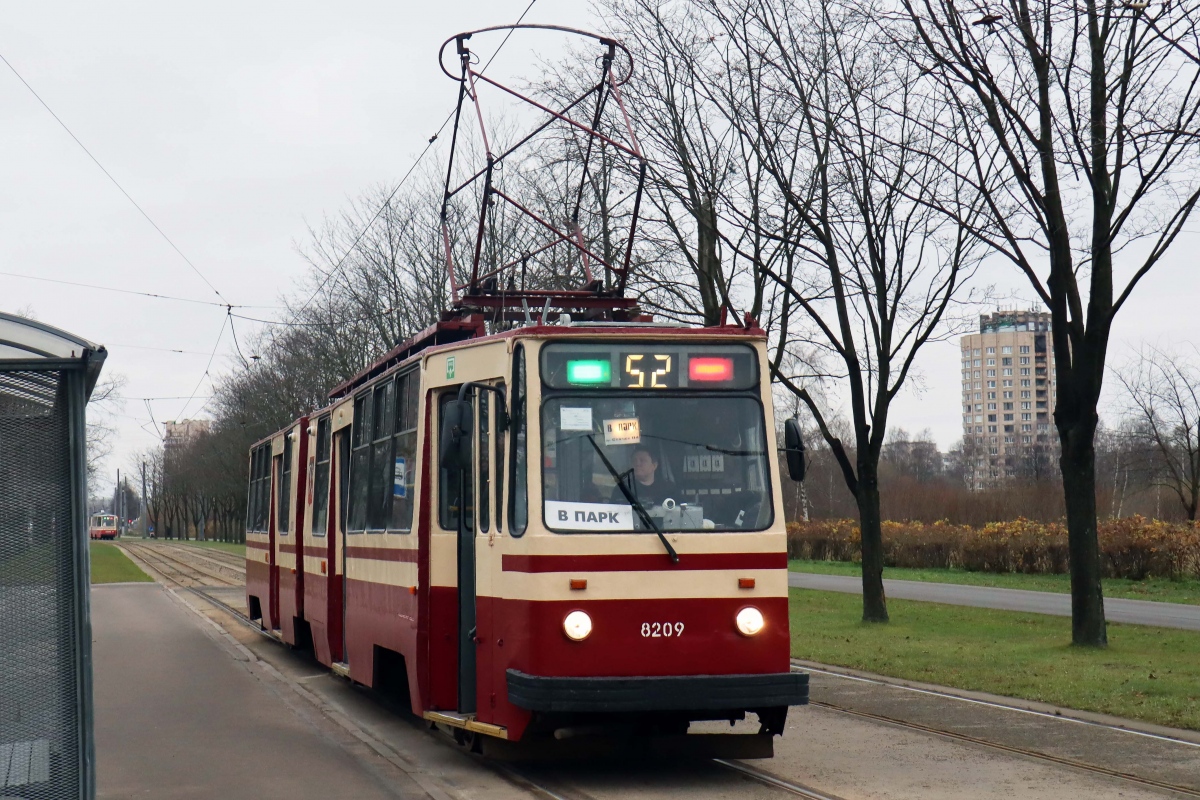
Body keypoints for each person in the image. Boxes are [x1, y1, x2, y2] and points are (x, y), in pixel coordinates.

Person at [610, 445, 676, 507]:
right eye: (634, 461)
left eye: (642, 460)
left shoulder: (668, 489)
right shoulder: (623, 489)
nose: (637, 464)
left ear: (654, 465)